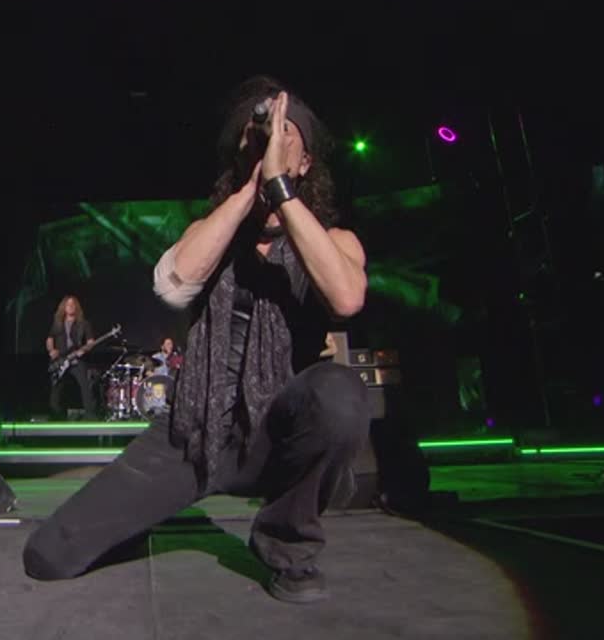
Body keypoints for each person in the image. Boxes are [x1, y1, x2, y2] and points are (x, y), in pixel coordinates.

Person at [24, 76, 370, 603]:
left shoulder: (336, 241)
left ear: (304, 163)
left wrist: (280, 189)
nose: (269, 141)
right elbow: (174, 284)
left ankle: (286, 545)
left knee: (340, 393)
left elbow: (346, 298)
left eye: (285, 134)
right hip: (195, 431)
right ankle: (137, 513)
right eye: (257, 136)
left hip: (279, 434)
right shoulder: (209, 231)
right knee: (48, 556)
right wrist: (251, 188)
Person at [47, 295, 98, 418]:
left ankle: (90, 415)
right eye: (68, 304)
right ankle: (55, 415)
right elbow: (49, 339)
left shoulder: (84, 324)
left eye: (72, 304)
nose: (70, 306)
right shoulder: (57, 323)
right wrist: (51, 350)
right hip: (60, 359)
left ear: (76, 307)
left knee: (85, 386)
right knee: (56, 388)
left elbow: (91, 342)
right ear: (64, 307)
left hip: (76, 360)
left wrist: (84, 350)